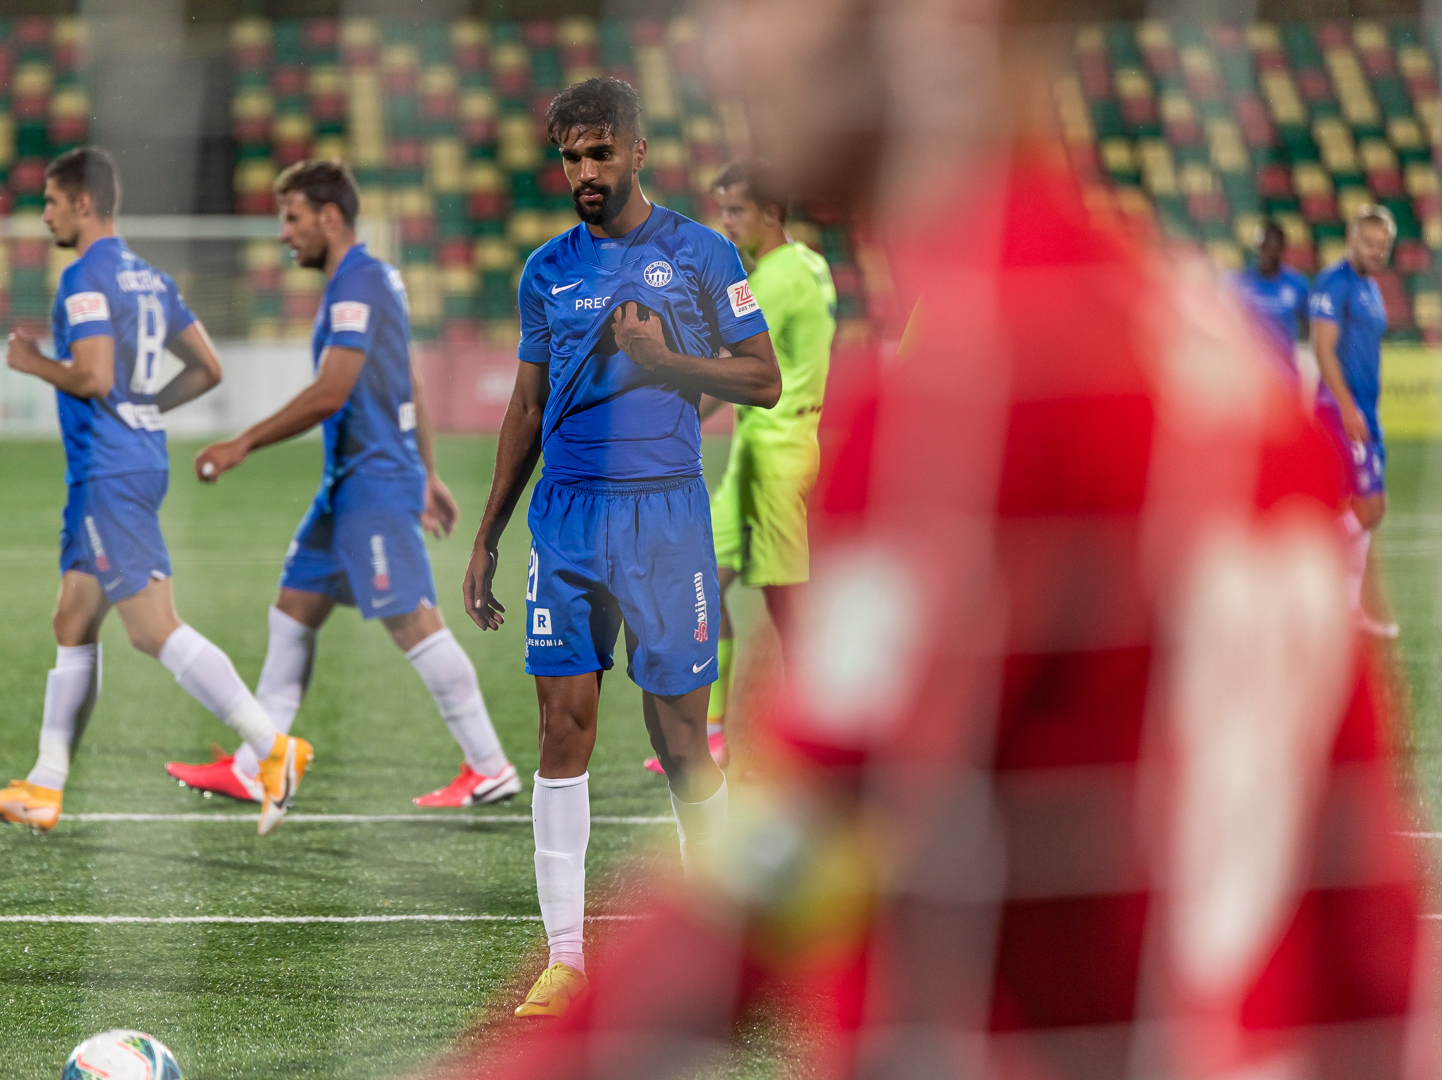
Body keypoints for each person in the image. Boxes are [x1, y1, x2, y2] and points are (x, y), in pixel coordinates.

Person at [424, 1, 1437, 1075]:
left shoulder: (983, 384)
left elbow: (789, 854)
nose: (725, 47)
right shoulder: (1206, 347)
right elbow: (1363, 913)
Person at [462, 77, 779, 1017]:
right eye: (571, 157)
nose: (585, 172)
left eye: (601, 153)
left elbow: (761, 378)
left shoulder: (702, 252)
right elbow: (525, 406)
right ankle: (566, 960)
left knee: (683, 740)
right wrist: (487, 535)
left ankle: (719, 949)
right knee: (563, 729)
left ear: (638, 151)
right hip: (565, 520)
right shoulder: (545, 271)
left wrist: (667, 362)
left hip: (666, 519)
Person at [0, 147, 312, 837]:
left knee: (152, 628)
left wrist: (35, 363)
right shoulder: (150, 278)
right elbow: (207, 368)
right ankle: (45, 785)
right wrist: (144, 404)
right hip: (131, 457)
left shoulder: (84, 278)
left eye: (51, 201)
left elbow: (93, 378)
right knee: (73, 619)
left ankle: (273, 750)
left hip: (110, 470)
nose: (45, 214)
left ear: (83, 204)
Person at [170, 160, 519, 810]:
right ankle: (259, 763)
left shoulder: (357, 284)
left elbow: (334, 391)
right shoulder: (374, 279)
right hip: (352, 487)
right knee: (292, 613)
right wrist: (431, 473)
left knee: (415, 623)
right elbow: (409, 380)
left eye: (293, 218)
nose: (284, 234)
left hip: (373, 489)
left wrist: (242, 441)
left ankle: (490, 766)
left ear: (330, 217)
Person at [643, 159, 834, 776]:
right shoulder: (810, 264)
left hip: (780, 454)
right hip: (762, 448)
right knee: (703, 575)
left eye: (735, 212)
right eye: (721, 210)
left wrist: (667, 432)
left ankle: (817, 732)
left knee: (786, 602)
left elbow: (733, 373)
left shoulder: (774, 280)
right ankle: (716, 729)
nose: (724, 223)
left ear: (770, 213)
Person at [1310, 205, 1398, 638]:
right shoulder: (1335, 281)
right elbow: (1323, 347)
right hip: (1341, 410)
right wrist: (1345, 406)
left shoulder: (1371, 289)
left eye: (1382, 245)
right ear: (1351, 238)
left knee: (1363, 509)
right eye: (1368, 242)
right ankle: (1309, 561)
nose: (1375, 251)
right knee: (1369, 508)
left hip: (1366, 411)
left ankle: (1347, 611)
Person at [1232, 219, 1311, 385]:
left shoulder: (1297, 285)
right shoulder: (1239, 282)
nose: (1265, 253)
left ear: (1282, 250)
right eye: (1261, 247)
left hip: (1286, 381)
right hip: (1249, 383)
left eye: (1271, 248)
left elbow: (1317, 324)